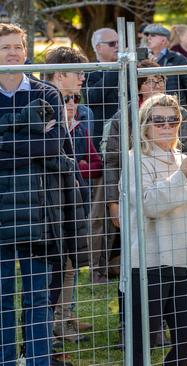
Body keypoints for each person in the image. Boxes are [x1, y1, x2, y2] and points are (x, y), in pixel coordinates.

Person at [0, 22, 82, 366]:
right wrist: (29, 139)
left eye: (18, 47)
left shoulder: (45, 93)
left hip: (40, 213)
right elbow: (39, 144)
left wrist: (5, 138)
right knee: (2, 298)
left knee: (37, 297)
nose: (13, 53)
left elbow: (53, 145)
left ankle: (39, 360)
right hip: (1, 214)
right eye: (5, 48)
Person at [125, 93, 187, 365]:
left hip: (183, 257)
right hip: (148, 261)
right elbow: (149, 205)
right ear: (145, 125)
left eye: (172, 120)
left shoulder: (182, 159)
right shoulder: (134, 159)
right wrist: (183, 176)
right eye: (158, 120)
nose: (166, 126)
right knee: (142, 343)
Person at [44, 46, 101, 343]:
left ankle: (63, 318)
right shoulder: (43, 103)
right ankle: (48, 329)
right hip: (46, 204)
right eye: (78, 73)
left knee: (68, 264)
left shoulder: (78, 110)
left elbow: (90, 158)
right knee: (51, 271)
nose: (82, 78)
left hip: (70, 199)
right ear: (60, 74)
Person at [143, 24, 187, 115]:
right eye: (147, 35)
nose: (148, 38)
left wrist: (182, 105)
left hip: (174, 110)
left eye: (153, 35)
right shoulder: (142, 60)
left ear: (163, 40)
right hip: (148, 110)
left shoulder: (178, 59)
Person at [84, 27, 119, 148]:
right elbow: (92, 97)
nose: (118, 46)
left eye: (119, 42)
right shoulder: (89, 71)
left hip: (129, 132)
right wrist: (116, 68)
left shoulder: (129, 68)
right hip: (101, 137)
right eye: (112, 43)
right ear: (98, 47)